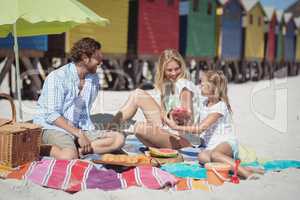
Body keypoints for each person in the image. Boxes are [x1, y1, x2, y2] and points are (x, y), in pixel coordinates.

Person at [34, 37, 125, 160]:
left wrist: (81, 133)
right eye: (97, 57)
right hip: (52, 127)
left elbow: (83, 111)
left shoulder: (93, 79)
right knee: (69, 157)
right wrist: (78, 133)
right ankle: (42, 148)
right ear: (84, 58)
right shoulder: (58, 77)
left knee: (118, 139)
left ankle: (80, 151)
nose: (101, 61)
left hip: (78, 128)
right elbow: (51, 115)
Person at [163, 70, 259, 179]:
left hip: (226, 143)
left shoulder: (220, 106)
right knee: (202, 157)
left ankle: (247, 174)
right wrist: (179, 118)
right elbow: (197, 126)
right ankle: (240, 168)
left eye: (203, 84)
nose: (200, 86)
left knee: (215, 155)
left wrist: (176, 127)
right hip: (210, 146)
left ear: (213, 87)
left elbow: (200, 128)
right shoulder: (205, 104)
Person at [108, 49, 203, 149]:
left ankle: (156, 145)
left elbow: (188, 119)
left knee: (140, 128)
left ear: (182, 67)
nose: (174, 73)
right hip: (170, 129)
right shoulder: (167, 85)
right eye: (169, 70)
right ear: (163, 70)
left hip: (185, 138)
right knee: (137, 94)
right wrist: (166, 120)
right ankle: (110, 130)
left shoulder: (184, 86)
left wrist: (172, 118)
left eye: (177, 69)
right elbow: (163, 113)